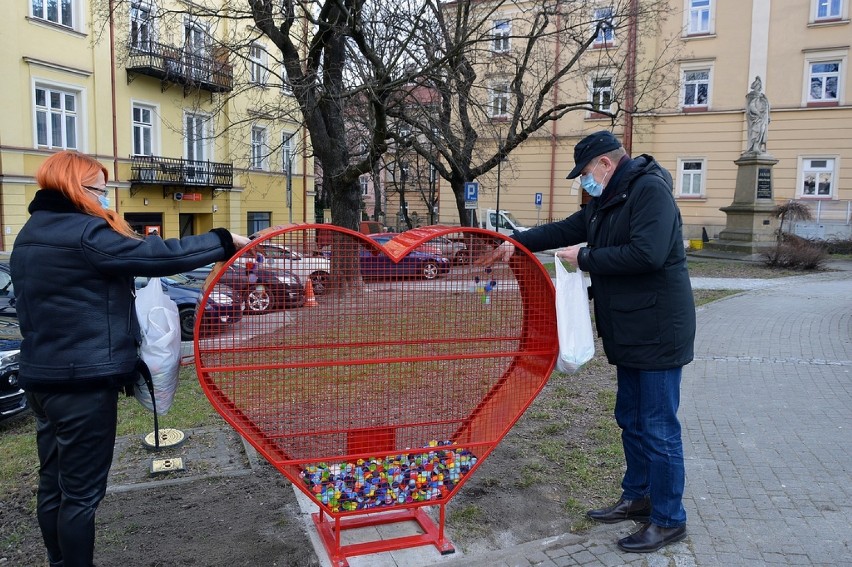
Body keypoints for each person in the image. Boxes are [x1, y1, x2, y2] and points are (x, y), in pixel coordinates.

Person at [10, 150, 250, 567]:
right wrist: (223, 242)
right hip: (82, 385)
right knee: (82, 496)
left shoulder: (32, 232)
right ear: (76, 188)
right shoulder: (83, 233)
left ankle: (58, 561)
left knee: (54, 486)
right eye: (101, 191)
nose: (107, 199)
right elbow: (158, 256)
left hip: (43, 382)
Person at [478, 131, 695, 553]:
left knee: (659, 427)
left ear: (606, 165)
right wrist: (515, 241)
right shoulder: (606, 201)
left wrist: (586, 258)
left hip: (658, 332)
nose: (584, 182)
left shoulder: (650, 192)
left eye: (585, 174)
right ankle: (638, 497)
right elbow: (566, 228)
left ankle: (669, 520)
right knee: (631, 419)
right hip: (631, 331)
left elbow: (647, 254)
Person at [745, 76, 770, 154]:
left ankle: (758, 146)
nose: (760, 88)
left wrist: (768, 116)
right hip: (756, 118)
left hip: (763, 118)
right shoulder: (752, 96)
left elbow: (767, 108)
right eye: (758, 86)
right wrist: (758, 113)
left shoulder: (763, 97)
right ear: (755, 86)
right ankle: (755, 146)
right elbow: (751, 107)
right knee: (757, 131)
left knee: (762, 132)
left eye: (760, 86)